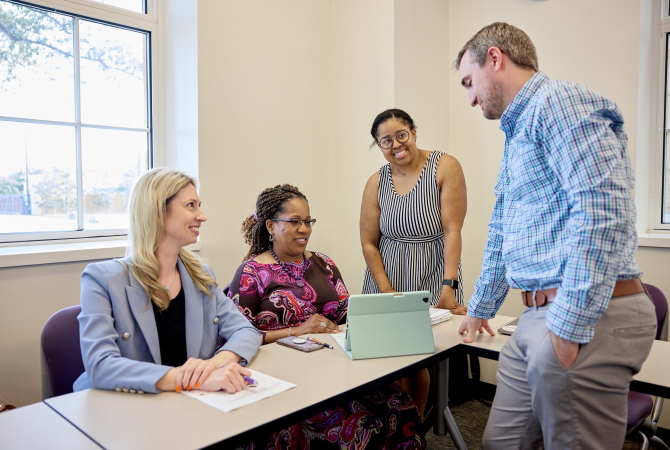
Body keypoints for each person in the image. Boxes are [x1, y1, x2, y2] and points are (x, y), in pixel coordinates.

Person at [455, 22, 657, 449]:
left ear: (495, 58)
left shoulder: (558, 102)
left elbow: (602, 211)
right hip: (534, 317)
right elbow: (502, 229)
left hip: (584, 313)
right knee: (499, 443)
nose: (470, 98)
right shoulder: (518, 133)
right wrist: (480, 307)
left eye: (469, 82)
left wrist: (568, 327)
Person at [228, 184, 425, 449]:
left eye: (308, 221)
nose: (305, 229)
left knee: (401, 408)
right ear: (271, 226)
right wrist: (296, 330)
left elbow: (348, 313)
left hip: (336, 370)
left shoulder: (324, 263)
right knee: (361, 427)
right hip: (289, 379)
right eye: (295, 221)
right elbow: (234, 338)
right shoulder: (252, 272)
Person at [74, 168, 261, 395]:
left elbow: (246, 331)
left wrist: (212, 366)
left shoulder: (201, 274)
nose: (202, 216)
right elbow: (100, 366)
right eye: (191, 205)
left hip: (187, 405)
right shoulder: (101, 279)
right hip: (123, 409)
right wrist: (191, 380)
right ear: (157, 211)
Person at [360, 108, 468, 417]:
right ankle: (392, 425)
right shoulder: (375, 182)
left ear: (414, 132)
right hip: (387, 275)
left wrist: (449, 286)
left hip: (434, 272)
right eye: (385, 141)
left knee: (420, 354)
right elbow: (369, 242)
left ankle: (414, 426)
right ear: (379, 147)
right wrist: (386, 292)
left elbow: (452, 230)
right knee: (389, 356)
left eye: (401, 135)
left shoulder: (444, 166)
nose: (395, 145)